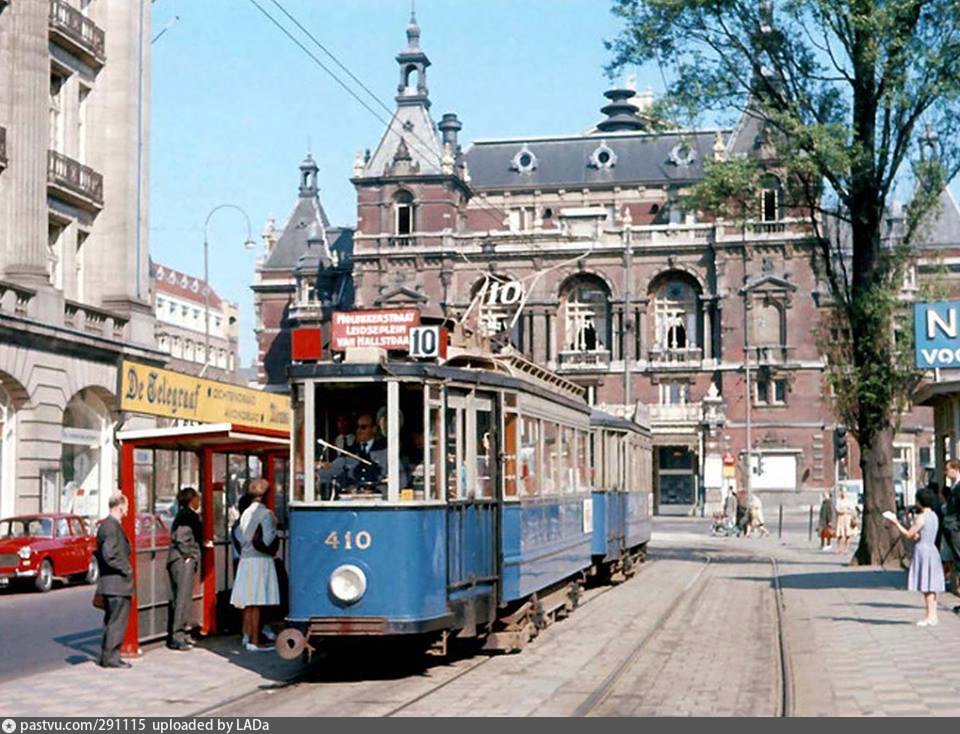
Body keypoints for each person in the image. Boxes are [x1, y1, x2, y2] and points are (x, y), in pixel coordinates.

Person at [230, 478, 279, 651]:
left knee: (249, 602)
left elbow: (243, 538)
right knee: (258, 601)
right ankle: (256, 641)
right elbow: (267, 540)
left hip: (246, 560)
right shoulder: (266, 514)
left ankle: (247, 636)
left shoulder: (245, 514)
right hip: (260, 560)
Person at [885, 487, 945, 626]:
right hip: (932, 549)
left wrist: (896, 522)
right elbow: (920, 534)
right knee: (932, 585)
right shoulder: (934, 515)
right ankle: (933, 615)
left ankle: (930, 616)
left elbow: (909, 534)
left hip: (923, 551)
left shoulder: (921, 517)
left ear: (920, 501)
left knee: (926, 586)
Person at [95, 493, 134, 668]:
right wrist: (125, 568)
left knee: (111, 621)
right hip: (116, 583)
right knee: (117, 621)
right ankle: (111, 657)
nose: (127, 510)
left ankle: (108, 655)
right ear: (119, 507)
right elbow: (109, 554)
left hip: (111, 584)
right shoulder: (111, 527)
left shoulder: (107, 526)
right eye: (126, 506)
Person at [166, 487, 201, 651]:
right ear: (191, 499)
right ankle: (177, 636)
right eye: (197, 498)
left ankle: (179, 632)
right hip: (182, 560)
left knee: (181, 597)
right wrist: (190, 555)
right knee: (182, 598)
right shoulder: (188, 516)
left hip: (178, 559)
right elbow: (181, 537)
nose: (199, 501)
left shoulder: (182, 514)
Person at [835, 487, 855, 554]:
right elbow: (837, 510)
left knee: (847, 535)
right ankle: (839, 549)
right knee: (840, 535)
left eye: (844, 492)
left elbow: (852, 510)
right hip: (840, 519)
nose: (843, 493)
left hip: (847, 519)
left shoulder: (849, 501)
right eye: (842, 492)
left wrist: (845, 510)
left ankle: (846, 549)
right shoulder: (838, 500)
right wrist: (845, 510)